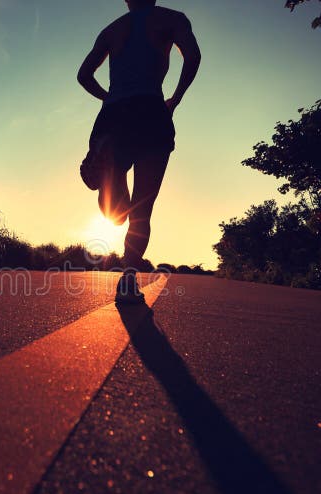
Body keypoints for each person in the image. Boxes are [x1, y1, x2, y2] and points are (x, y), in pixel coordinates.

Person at [78, 0, 201, 303]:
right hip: (151, 111)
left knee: (113, 214)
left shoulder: (111, 29)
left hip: (114, 115)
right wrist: (176, 98)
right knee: (142, 208)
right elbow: (193, 57)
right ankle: (128, 278)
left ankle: (111, 174)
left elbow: (84, 75)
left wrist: (109, 97)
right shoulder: (171, 19)